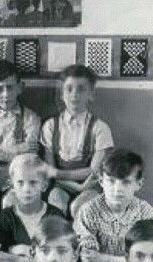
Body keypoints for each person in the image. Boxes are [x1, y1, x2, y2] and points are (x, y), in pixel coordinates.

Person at [40, 64, 114, 216]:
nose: (74, 95)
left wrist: (60, 175)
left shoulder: (100, 128)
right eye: (69, 89)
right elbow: (50, 170)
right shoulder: (50, 126)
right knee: (56, 205)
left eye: (81, 89)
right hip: (60, 186)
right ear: (61, 93)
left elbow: (93, 171)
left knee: (79, 208)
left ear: (91, 94)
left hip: (90, 187)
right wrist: (68, 181)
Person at [0, 60, 41, 218]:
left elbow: (30, 156)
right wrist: (18, 149)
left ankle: (8, 238)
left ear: (20, 87)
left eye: (10, 87)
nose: (5, 94)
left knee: (9, 205)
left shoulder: (31, 118)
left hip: (20, 174)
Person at [75, 149, 153, 262]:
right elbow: (88, 258)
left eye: (126, 182)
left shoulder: (145, 212)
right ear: (101, 181)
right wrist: (131, 261)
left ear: (138, 184)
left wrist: (104, 260)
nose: (117, 189)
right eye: (111, 181)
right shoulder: (89, 211)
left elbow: (150, 258)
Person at [0, 154, 64, 262]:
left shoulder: (54, 215)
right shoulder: (7, 216)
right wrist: (22, 259)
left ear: (44, 185)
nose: (26, 189)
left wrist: (13, 249)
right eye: (20, 182)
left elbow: (61, 253)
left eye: (33, 182)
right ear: (12, 186)